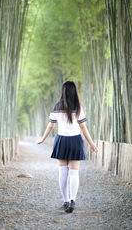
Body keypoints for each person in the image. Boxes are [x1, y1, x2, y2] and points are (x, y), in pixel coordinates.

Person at [37, 81, 98, 213]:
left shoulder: (57, 106)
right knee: (74, 172)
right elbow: (83, 128)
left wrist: (42, 138)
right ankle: (72, 200)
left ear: (63, 92)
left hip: (62, 141)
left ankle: (65, 201)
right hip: (75, 140)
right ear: (75, 92)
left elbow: (50, 126)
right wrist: (92, 144)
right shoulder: (79, 108)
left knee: (63, 172)